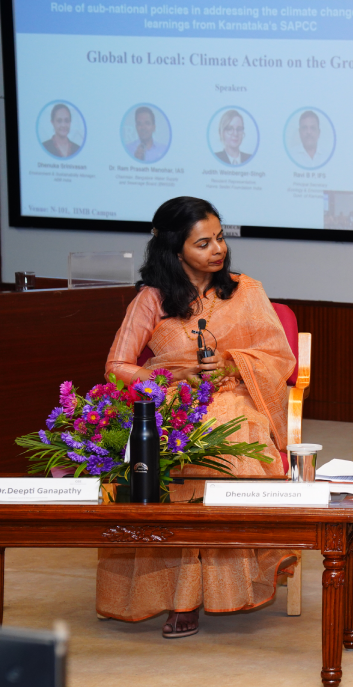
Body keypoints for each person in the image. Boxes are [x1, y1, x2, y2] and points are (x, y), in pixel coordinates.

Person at [96, 197, 297, 638]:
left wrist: (230, 361)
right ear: (174, 248)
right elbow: (115, 367)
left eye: (220, 238)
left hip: (235, 397)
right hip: (172, 402)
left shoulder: (247, 291)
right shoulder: (152, 299)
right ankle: (180, 596)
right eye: (203, 242)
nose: (217, 249)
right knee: (169, 454)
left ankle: (228, 582)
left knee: (227, 448)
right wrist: (166, 374)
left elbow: (279, 359)